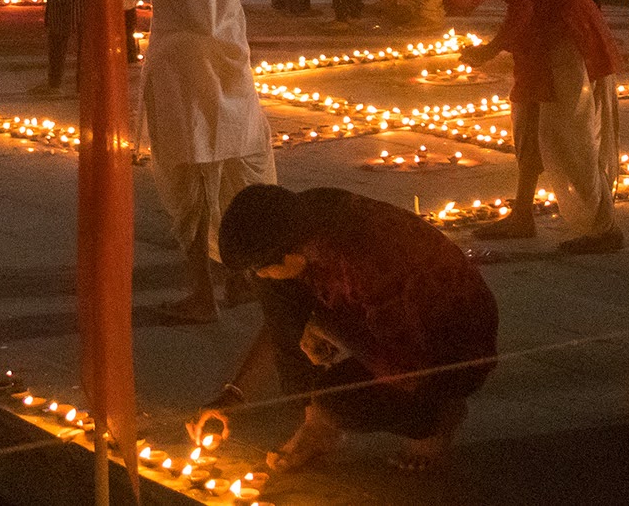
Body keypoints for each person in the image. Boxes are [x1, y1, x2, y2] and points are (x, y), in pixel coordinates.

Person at [205, 185, 498, 474]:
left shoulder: (362, 263)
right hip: (384, 323)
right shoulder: (301, 219)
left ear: (292, 257)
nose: (259, 275)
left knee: (340, 405)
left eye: (262, 267)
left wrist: (325, 331)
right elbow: (280, 323)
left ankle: (434, 420)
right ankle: (315, 428)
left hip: (448, 348)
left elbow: (404, 367)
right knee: (276, 290)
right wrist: (235, 394)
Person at [121, 0, 271, 323]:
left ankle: (202, 290)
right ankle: (238, 276)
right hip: (228, 49)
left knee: (186, 174)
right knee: (235, 162)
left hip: (177, 57)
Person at [448, 0, 625, 254]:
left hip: (563, 29)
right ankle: (522, 215)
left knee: (565, 131)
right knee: (526, 119)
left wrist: (490, 49)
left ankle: (601, 228)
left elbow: (523, 4)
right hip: (543, 33)